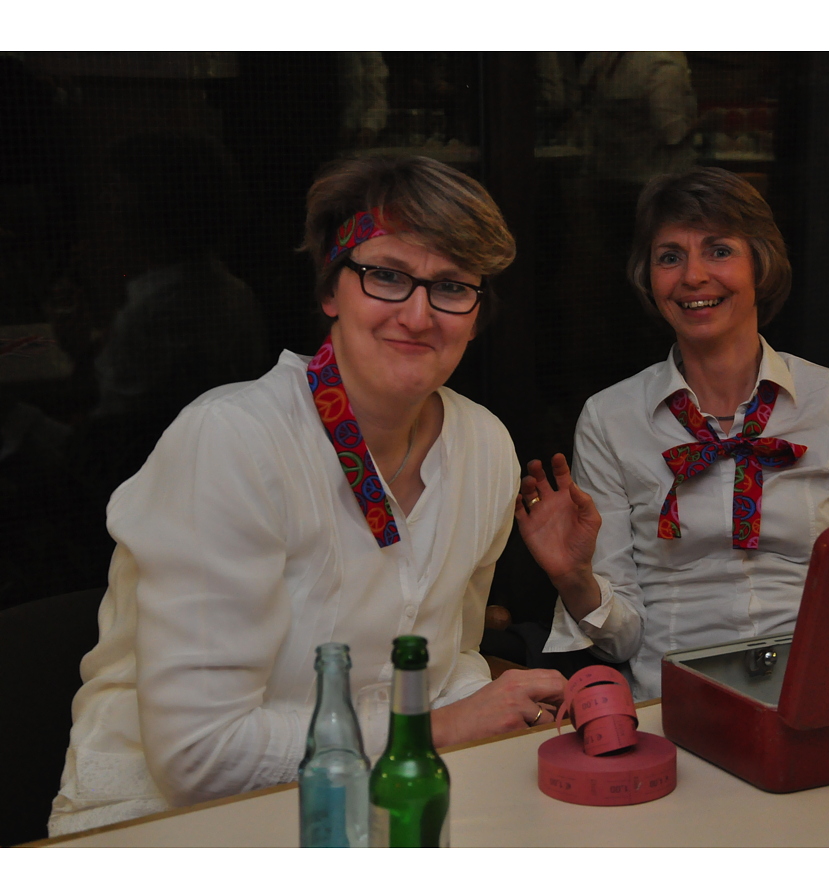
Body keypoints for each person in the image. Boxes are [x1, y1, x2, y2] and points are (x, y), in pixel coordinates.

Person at [49, 154, 565, 836]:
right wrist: (441, 727)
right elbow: (200, 758)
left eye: (450, 287)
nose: (418, 314)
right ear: (331, 290)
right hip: (168, 828)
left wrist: (517, 709)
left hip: (381, 803)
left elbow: (445, 662)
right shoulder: (233, 441)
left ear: (475, 314)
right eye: (386, 275)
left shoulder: (485, 448)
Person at [516, 167, 829, 701]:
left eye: (720, 251)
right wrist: (573, 578)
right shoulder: (610, 419)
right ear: (649, 278)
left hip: (818, 692)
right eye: (669, 257)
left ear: (760, 266)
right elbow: (622, 641)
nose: (693, 276)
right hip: (674, 702)